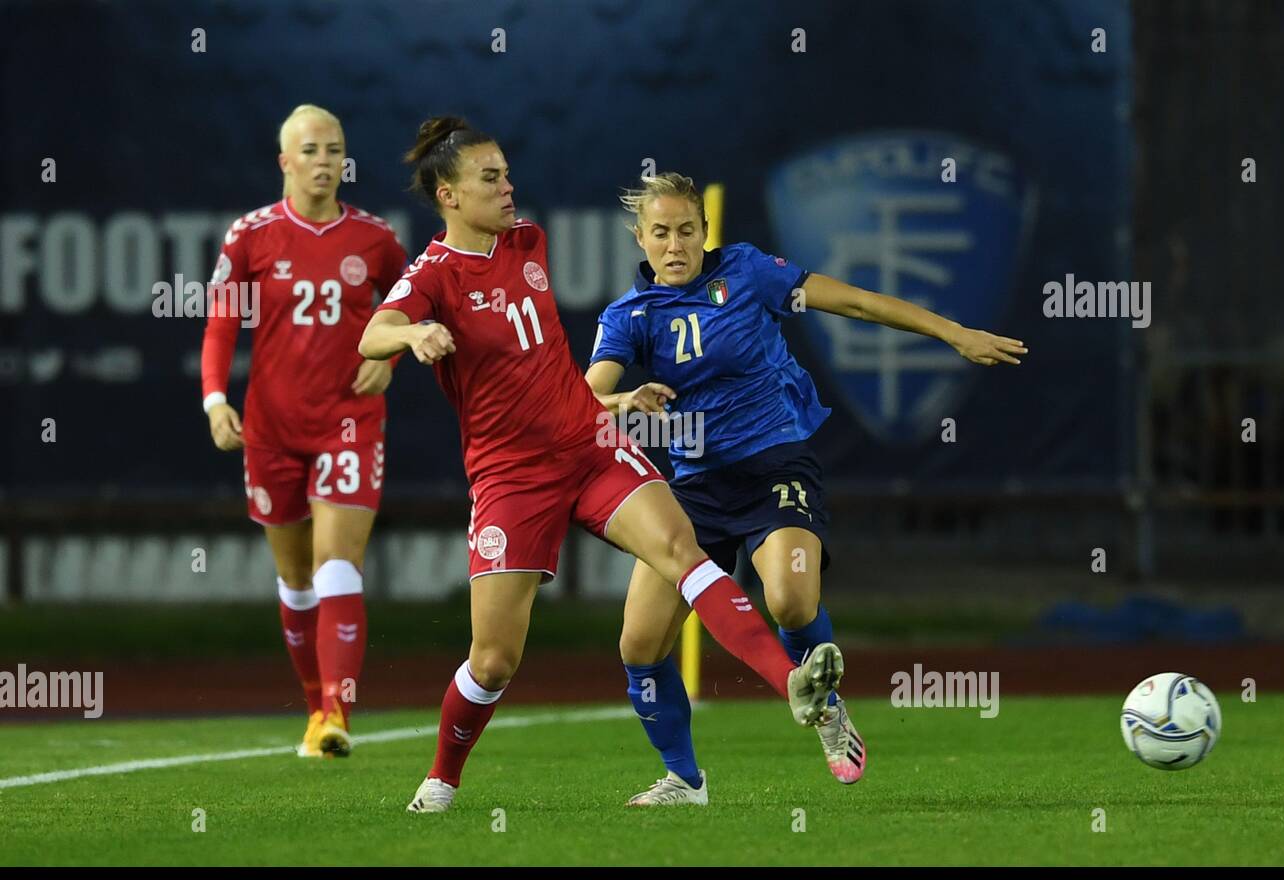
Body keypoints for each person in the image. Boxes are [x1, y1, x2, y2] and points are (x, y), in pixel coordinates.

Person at [357, 118, 845, 814]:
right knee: (493, 659)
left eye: (505, 171)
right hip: (511, 478)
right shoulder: (431, 277)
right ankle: (442, 777)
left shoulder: (526, 241)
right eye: (489, 177)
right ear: (448, 195)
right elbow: (373, 335)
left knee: (685, 552)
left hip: (590, 448)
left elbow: (550, 376)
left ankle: (792, 684)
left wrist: (612, 403)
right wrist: (412, 331)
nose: (508, 185)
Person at [586, 172, 1027, 801]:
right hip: (691, 491)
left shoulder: (747, 272)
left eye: (687, 230)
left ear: (705, 232)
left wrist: (953, 333)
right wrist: (625, 398)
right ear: (641, 237)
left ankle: (827, 707)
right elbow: (588, 396)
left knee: (791, 600)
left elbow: (851, 301)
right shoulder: (628, 316)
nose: (676, 244)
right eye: (661, 233)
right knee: (638, 645)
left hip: (775, 467)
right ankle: (684, 780)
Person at [201, 104, 407, 757]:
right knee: (295, 581)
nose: (325, 161)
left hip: (350, 422)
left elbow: (413, 305)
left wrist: (390, 356)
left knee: (337, 565)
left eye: (335, 149)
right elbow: (221, 323)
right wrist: (214, 400)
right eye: (311, 150)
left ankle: (338, 709)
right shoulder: (250, 235)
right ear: (285, 161)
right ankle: (317, 708)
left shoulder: (375, 239)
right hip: (272, 428)